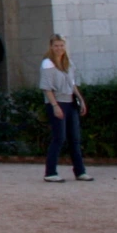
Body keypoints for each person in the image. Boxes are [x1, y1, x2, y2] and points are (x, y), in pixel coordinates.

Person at [40, 34, 92, 183]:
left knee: (75, 138)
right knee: (59, 137)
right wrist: (55, 106)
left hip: (70, 103)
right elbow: (46, 88)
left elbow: (72, 83)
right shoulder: (47, 64)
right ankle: (50, 172)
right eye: (56, 45)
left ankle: (80, 171)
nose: (59, 48)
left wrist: (81, 99)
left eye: (61, 45)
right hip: (58, 102)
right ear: (51, 47)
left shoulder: (67, 63)